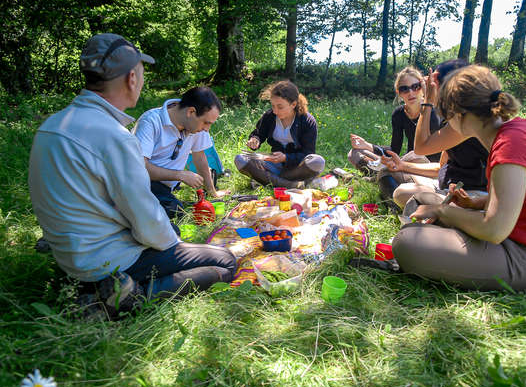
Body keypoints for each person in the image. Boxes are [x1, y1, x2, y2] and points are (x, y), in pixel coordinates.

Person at [28, 33, 237, 314]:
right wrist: (174, 243)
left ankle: (100, 286)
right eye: (141, 73)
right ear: (131, 79)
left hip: (70, 256)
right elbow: (145, 217)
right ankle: (125, 296)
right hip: (108, 257)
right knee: (225, 261)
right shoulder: (114, 136)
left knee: (171, 227)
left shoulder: (51, 126)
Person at [389, 65, 526, 292]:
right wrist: (476, 203)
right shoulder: (512, 133)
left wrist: (442, 211)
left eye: (446, 116)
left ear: (459, 116)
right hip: (513, 236)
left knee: (406, 244)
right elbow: (520, 197)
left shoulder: (511, 145)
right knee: (422, 204)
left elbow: (494, 230)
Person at [381, 59, 489, 208]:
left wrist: (427, 102)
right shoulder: (452, 117)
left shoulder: (466, 121)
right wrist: (402, 165)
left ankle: (436, 213)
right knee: (390, 176)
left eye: (427, 84)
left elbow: (420, 148)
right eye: (405, 89)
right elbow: (440, 167)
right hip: (445, 184)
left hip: (468, 195)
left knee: (402, 193)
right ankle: (427, 208)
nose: (427, 88)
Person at [132, 86, 230, 219]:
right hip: (141, 183)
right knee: (175, 212)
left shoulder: (196, 126)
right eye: (206, 123)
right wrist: (180, 175)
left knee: (175, 207)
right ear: (190, 112)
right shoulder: (151, 121)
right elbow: (140, 167)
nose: (207, 129)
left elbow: (200, 157)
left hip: (168, 185)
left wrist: (212, 192)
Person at [347, 66, 443, 200]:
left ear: (423, 88)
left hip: (426, 167)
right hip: (406, 163)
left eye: (415, 87)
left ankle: (380, 177)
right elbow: (395, 149)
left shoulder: (433, 111)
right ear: (399, 93)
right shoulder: (398, 114)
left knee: (412, 155)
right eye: (404, 89)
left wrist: (427, 104)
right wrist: (367, 145)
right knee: (354, 153)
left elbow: (425, 151)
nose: (410, 92)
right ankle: (382, 175)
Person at [234, 81, 325, 189]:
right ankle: (291, 184)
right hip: (274, 165)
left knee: (318, 161)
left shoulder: (307, 121)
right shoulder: (269, 116)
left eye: (280, 107)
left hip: (296, 168)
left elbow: (308, 153)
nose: (275, 111)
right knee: (240, 159)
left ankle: (272, 180)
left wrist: (286, 158)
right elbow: (258, 133)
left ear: (293, 104)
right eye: (273, 106)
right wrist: (255, 139)